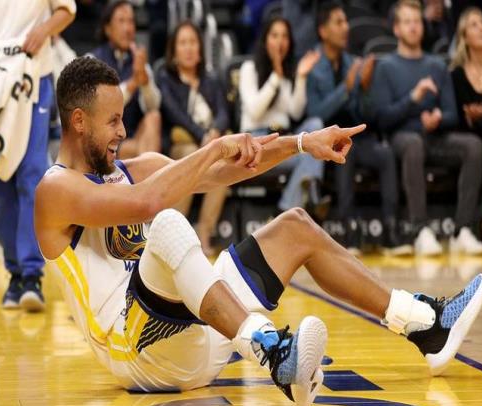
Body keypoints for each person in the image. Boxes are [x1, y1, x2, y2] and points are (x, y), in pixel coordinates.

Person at [34, 56, 482, 406]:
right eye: (113, 120)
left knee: (295, 227)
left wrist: (302, 143)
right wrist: (214, 146)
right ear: (79, 121)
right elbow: (147, 203)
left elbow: (223, 171)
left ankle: (425, 325)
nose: (123, 131)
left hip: (196, 338)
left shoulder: (131, 169)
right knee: (169, 223)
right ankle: (274, 351)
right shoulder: (55, 190)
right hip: (138, 353)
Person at [372, 0, 482, 256]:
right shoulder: (386, 67)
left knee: (473, 146)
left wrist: (438, 118)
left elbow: (452, 114)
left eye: (417, 21)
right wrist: (412, 99)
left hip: (435, 136)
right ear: (396, 28)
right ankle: (420, 230)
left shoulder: (436, 65)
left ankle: (462, 230)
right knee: (413, 144)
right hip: (402, 137)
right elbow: (382, 119)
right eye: (407, 22)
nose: (414, 27)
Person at [307, 1, 410, 256]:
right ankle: (349, 229)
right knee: (345, 153)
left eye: (345, 21)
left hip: (354, 137)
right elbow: (315, 114)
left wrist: (363, 90)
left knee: (385, 155)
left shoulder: (353, 62)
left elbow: (366, 116)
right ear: (323, 31)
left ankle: (391, 228)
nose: (346, 27)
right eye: (339, 22)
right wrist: (347, 87)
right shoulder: (313, 67)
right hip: (322, 143)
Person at [0, 0, 76, 311]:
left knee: (31, 173)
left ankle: (32, 276)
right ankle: (15, 273)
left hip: (33, 73)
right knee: (1, 179)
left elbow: (67, 10)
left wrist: (43, 31)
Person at [239, 17, 329, 221]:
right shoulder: (249, 69)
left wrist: (301, 77)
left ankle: (287, 208)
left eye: (285, 36)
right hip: (257, 142)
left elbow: (295, 113)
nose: (280, 41)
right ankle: (305, 200)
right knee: (310, 152)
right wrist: (276, 76)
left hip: (283, 138)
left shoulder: (288, 73)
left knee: (315, 126)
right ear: (265, 40)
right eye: (275, 35)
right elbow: (255, 111)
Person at [157, 21, 230, 256]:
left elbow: (223, 112)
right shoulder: (166, 79)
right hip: (181, 144)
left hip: (211, 142)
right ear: (174, 50)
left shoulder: (211, 80)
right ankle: (172, 234)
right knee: (191, 155)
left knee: (225, 162)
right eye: (183, 43)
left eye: (193, 42)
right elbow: (174, 114)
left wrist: (214, 132)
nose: (188, 48)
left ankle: (204, 232)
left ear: (200, 48)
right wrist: (202, 136)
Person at [90, 0, 162, 159]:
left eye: (131, 22)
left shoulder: (140, 61)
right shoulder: (92, 61)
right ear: (107, 29)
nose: (127, 28)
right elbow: (101, 107)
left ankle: (145, 169)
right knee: (148, 154)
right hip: (104, 140)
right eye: (121, 21)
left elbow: (153, 106)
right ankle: (150, 172)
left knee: (154, 117)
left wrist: (145, 82)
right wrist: (133, 83)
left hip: (133, 138)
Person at [450, 8, 482, 218]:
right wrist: (474, 116)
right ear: (464, 37)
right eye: (474, 25)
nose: (481, 28)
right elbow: (458, 116)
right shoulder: (456, 74)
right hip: (473, 134)